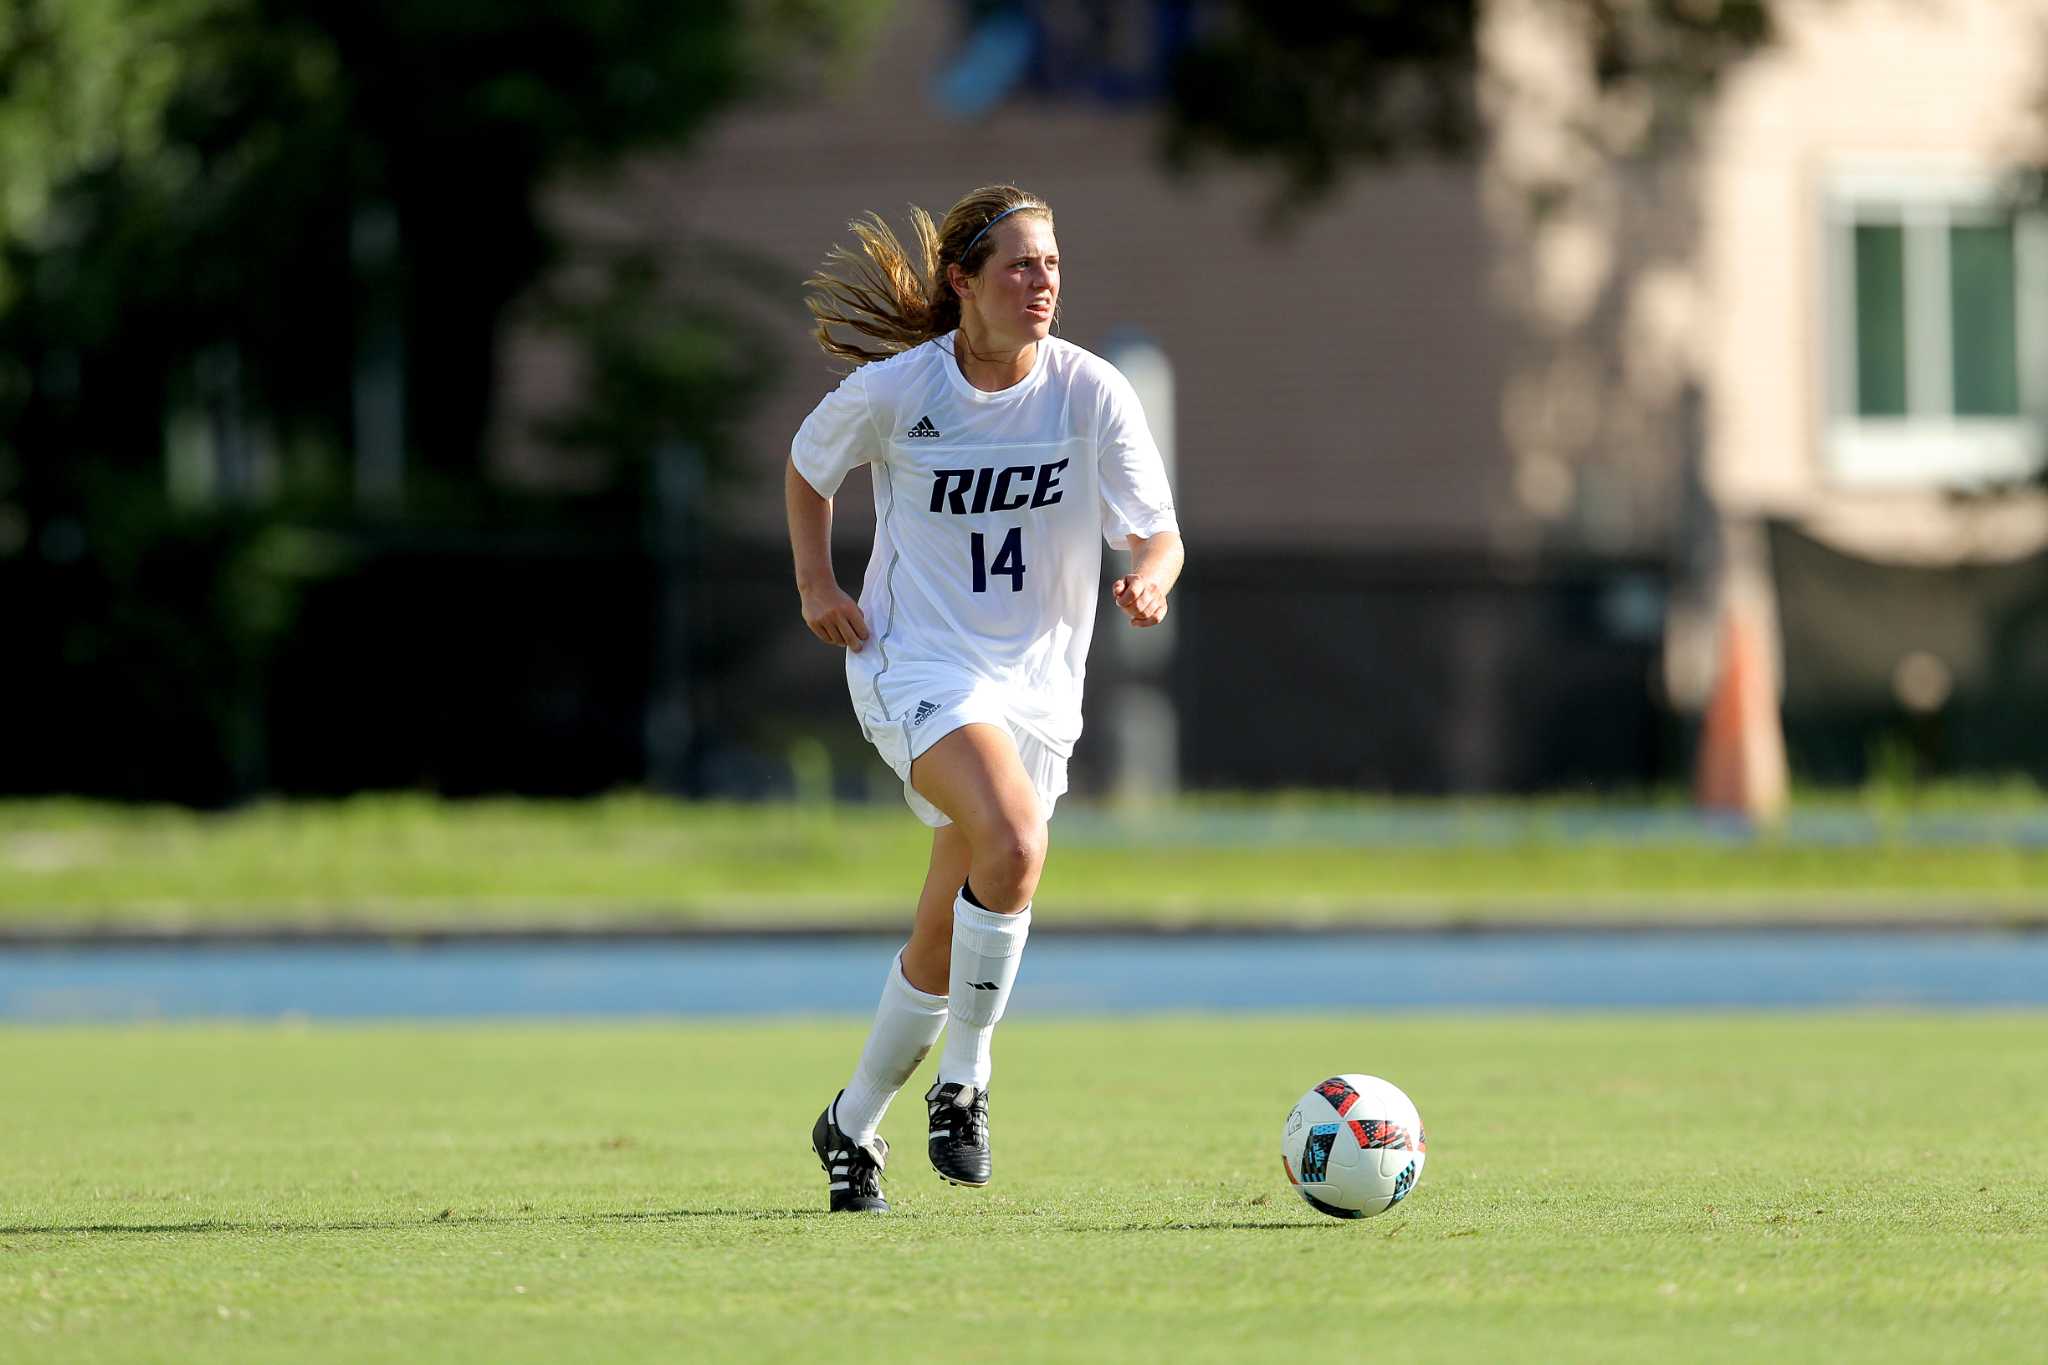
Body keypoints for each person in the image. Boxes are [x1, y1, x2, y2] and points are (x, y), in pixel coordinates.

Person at [786, 184, 1183, 1212]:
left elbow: (1158, 529)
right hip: (913, 665)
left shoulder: (1087, 391)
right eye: (1016, 263)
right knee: (1012, 839)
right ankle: (966, 1082)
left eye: (1049, 262)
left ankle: (852, 1123)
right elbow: (806, 463)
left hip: (1035, 687)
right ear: (963, 282)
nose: (1039, 281)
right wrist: (816, 585)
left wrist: (1150, 574)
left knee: (942, 931)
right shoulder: (900, 391)